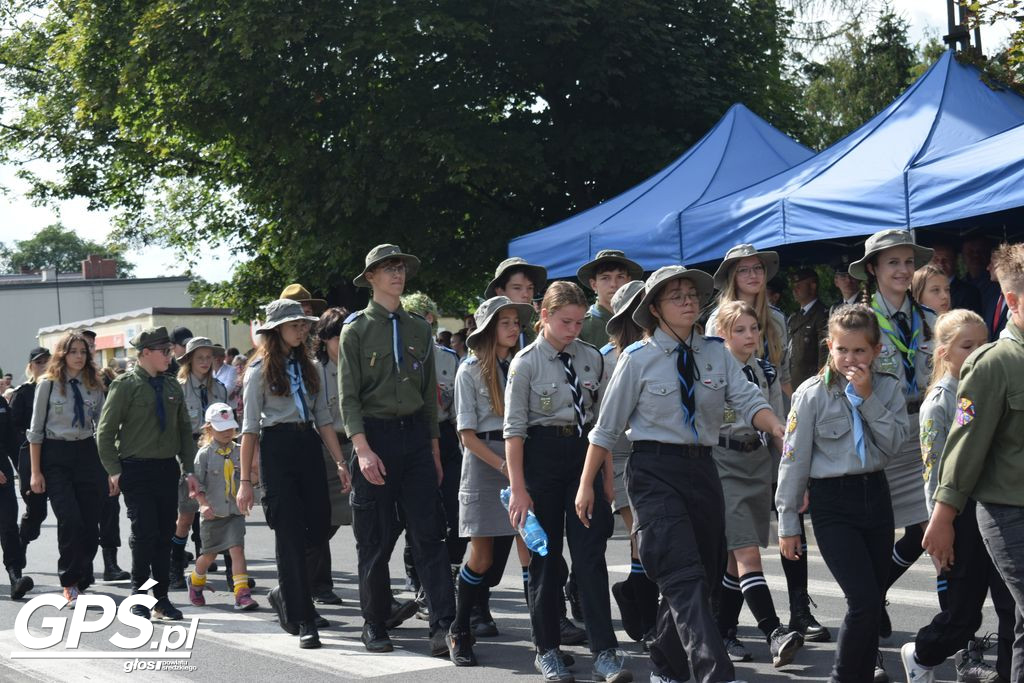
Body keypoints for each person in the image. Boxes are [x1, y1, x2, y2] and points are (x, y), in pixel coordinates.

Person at [577, 265, 783, 683]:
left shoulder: (715, 352)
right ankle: (713, 671)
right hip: (654, 471)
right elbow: (607, 428)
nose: (690, 301)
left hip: (704, 470)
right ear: (655, 308)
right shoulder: (637, 359)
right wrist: (586, 485)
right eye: (678, 296)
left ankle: (665, 666)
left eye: (692, 294)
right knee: (682, 574)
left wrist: (776, 428)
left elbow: (746, 399)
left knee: (702, 576)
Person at [504, 280, 628, 683]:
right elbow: (514, 432)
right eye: (565, 322)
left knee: (591, 557)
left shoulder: (592, 358)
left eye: (578, 322)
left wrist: (606, 479)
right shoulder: (525, 362)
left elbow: (602, 426)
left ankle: (605, 651)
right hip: (539, 460)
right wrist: (519, 489)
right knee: (546, 560)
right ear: (543, 316)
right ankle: (548, 649)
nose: (573, 329)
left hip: (583, 458)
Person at [777, 304, 909, 683]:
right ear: (829, 346)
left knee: (871, 600)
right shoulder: (811, 394)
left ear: (876, 350)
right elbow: (793, 461)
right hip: (833, 503)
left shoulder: (886, 386)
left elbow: (895, 444)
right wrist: (788, 523)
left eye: (859, 351)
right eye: (842, 350)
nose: (850, 359)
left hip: (875, 498)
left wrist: (867, 397)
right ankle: (844, 676)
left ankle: (863, 672)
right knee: (863, 601)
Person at [338, 244, 456, 658]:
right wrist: (363, 450)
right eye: (388, 268)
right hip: (374, 438)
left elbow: (427, 398)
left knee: (430, 535)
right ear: (370, 277)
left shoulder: (419, 330)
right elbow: (348, 398)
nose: (397, 273)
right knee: (373, 538)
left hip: (416, 441)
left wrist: (435, 450)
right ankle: (374, 622)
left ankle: (444, 625)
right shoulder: (355, 330)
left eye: (401, 267)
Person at [924, 242, 1024, 681]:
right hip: (1007, 512)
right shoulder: (993, 364)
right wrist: (942, 519)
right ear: (1013, 301)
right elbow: (962, 449)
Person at [900, 310, 1011, 683]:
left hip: (997, 509)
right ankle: (921, 653)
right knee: (964, 615)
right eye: (969, 346)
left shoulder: (990, 384)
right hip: (959, 517)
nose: (979, 352)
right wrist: (938, 528)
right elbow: (934, 471)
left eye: (984, 344)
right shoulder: (939, 402)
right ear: (944, 352)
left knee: (1011, 608)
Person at [235, 299, 351, 649]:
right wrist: (245, 482)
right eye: (295, 325)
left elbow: (324, 420)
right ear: (276, 331)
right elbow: (250, 430)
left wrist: (341, 462)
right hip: (277, 448)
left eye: (304, 324)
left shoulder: (312, 366)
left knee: (317, 526)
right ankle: (302, 618)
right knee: (287, 534)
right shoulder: (258, 372)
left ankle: (287, 591)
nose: (302, 329)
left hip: (308, 447)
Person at [849, 229, 937, 642]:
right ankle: (870, 605)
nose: (903, 270)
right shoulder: (857, 322)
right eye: (892, 263)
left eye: (907, 262)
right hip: (880, 434)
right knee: (876, 535)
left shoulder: (931, 320)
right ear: (873, 270)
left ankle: (954, 630)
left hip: (928, 434)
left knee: (933, 532)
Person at [711, 301, 804, 666]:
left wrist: (792, 475)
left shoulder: (763, 371)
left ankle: (723, 631)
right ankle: (773, 631)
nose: (749, 336)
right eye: (739, 330)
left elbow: (777, 423)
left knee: (737, 562)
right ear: (722, 334)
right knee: (747, 552)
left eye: (753, 329)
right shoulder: (714, 370)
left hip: (756, 463)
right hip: (723, 462)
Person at [448, 295, 534, 666]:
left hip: (520, 455)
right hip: (486, 463)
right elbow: (466, 436)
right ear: (487, 329)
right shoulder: (469, 370)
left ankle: (546, 634)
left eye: (517, 322)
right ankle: (459, 628)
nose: (515, 328)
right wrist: (506, 468)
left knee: (532, 548)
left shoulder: (522, 363)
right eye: (506, 322)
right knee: (481, 558)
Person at [96, 326, 199, 621]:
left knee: (164, 535)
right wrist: (114, 471)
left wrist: (189, 469)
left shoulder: (171, 386)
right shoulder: (125, 385)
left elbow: (182, 431)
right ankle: (139, 596)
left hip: (166, 469)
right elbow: (105, 432)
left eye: (170, 351)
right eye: (164, 351)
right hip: (136, 469)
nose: (170, 356)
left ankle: (161, 597)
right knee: (144, 534)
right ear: (145, 354)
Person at [27, 331, 108, 606]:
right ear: (62, 354)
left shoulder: (94, 384)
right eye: (73, 351)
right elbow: (35, 432)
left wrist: (110, 467)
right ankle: (70, 581)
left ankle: (82, 572)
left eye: (83, 352)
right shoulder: (48, 384)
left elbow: (104, 429)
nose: (78, 357)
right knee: (69, 519)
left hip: (87, 453)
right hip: (55, 454)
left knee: (90, 522)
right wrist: (35, 472)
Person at [600, 281, 661, 646]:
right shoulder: (608, 357)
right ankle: (649, 619)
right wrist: (606, 474)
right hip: (621, 456)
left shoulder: (662, 350)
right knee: (642, 533)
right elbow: (602, 423)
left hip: (654, 457)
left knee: (648, 539)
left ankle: (632, 594)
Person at [402, 292, 467, 616]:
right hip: (415, 435)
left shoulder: (448, 358)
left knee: (457, 512)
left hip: (445, 435)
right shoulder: (401, 356)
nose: (421, 323)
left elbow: (457, 407)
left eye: (425, 317)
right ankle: (421, 581)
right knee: (422, 515)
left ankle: (451, 570)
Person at [171, 337, 229, 590]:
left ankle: (230, 574)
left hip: (216, 450)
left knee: (223, 510)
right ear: (189, 361)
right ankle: (174, 568)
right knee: (186, 515)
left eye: (209, 357)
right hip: (190, 451)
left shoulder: (219, 388)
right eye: (200, 357)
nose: (206, 362)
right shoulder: (180, 387)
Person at [187, 403, 257, 611]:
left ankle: (242, 594)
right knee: (209, 555)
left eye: (231, 428)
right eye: (221, 428)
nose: (228, 432)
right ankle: (195, 581)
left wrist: (253, 477)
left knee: (237, 550)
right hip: (212, 513)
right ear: (209, 429)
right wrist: (203, 505)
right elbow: (196, 486)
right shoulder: (204, 454)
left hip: (234, 512)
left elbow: (250, 477)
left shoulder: (240, 451)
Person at [309, 307, 355, 607]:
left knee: (367, 518)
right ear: (325, 338)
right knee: (322, 519)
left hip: (355, 445)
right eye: (339, 336)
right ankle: (317, 582)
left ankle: (377, 587)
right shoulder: (314, 369)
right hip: (323, 449)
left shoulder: (360, 366)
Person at [9, 348, 50, 577]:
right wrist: (22, 458)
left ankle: (76, 571)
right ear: (31, 366)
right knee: (37, 511)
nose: (43, 366)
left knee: (70, 511)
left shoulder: (60, 390)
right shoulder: (24, 393)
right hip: (31, 457)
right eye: (39, 362)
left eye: (47, 361)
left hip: (59, 458)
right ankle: (22, 540)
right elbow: (12, 429)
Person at [0, 378, 33, 601]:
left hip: (3, 474)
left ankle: (15, 578)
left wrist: (27, 472)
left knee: (8, 523)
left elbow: (11, 440)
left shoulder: (1, 403)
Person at [576, 250, 644, 347]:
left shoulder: (641, 320)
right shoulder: (581, 326)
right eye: (605, 278)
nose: (614, 284)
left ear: (629, 281)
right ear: (594, 284)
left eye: (620, 277)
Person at [485, 257, 547, 348]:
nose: (526, 294)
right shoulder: (488, 331)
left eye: (530, 288)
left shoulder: (533, 330)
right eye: (517, 288)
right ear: (500, 292)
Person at [787, 268, 829, 391]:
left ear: (812, 286)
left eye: (799, 286)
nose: (795, 290)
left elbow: (824, 357)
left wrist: (821, 384)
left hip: (812, 385)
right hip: (794, 383)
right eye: (794, 286)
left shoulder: (822, 315)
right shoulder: (794, 317)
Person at [929, 241, 982, 315]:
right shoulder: (924, 288)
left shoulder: (969, 293)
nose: (941, 263)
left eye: (946, 259)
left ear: (955, 261)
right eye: (936, 259)